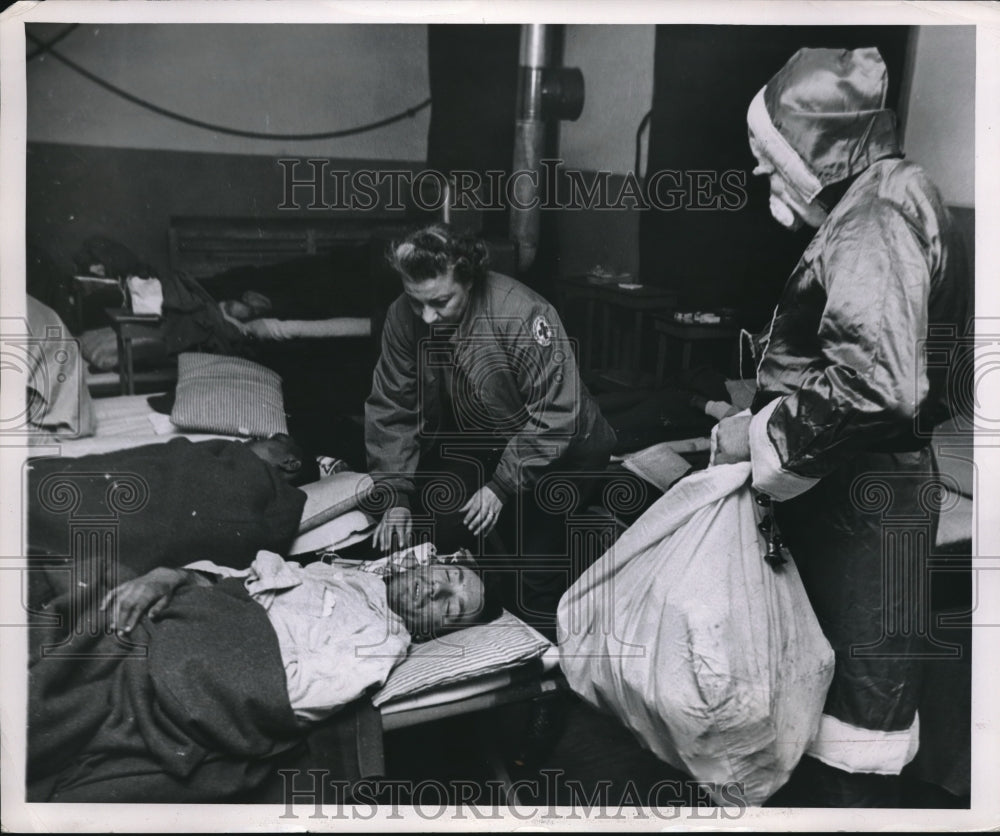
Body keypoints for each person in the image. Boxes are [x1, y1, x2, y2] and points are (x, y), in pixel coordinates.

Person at [714, 47, 969, 806]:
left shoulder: (876, 216)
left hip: (863, 509)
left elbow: (876, 386)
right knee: (840, 704)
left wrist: (758, 438)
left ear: (814, 148)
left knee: (850, 731)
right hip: (864, 494)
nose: (762, 173)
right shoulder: (896, 196)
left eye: (769, 155)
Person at [364, 224, 616, 638]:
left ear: (470, 278)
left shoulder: (522, 313)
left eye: (440, 302)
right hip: (489, 439)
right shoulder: (401, 317)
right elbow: (394, 406)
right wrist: (395, 494)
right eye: (416, 301)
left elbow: (557, 416)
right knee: (443, 520)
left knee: (535, 561)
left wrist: (501, 486)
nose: (426, 316)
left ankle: (540, 656)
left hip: (566, 448)